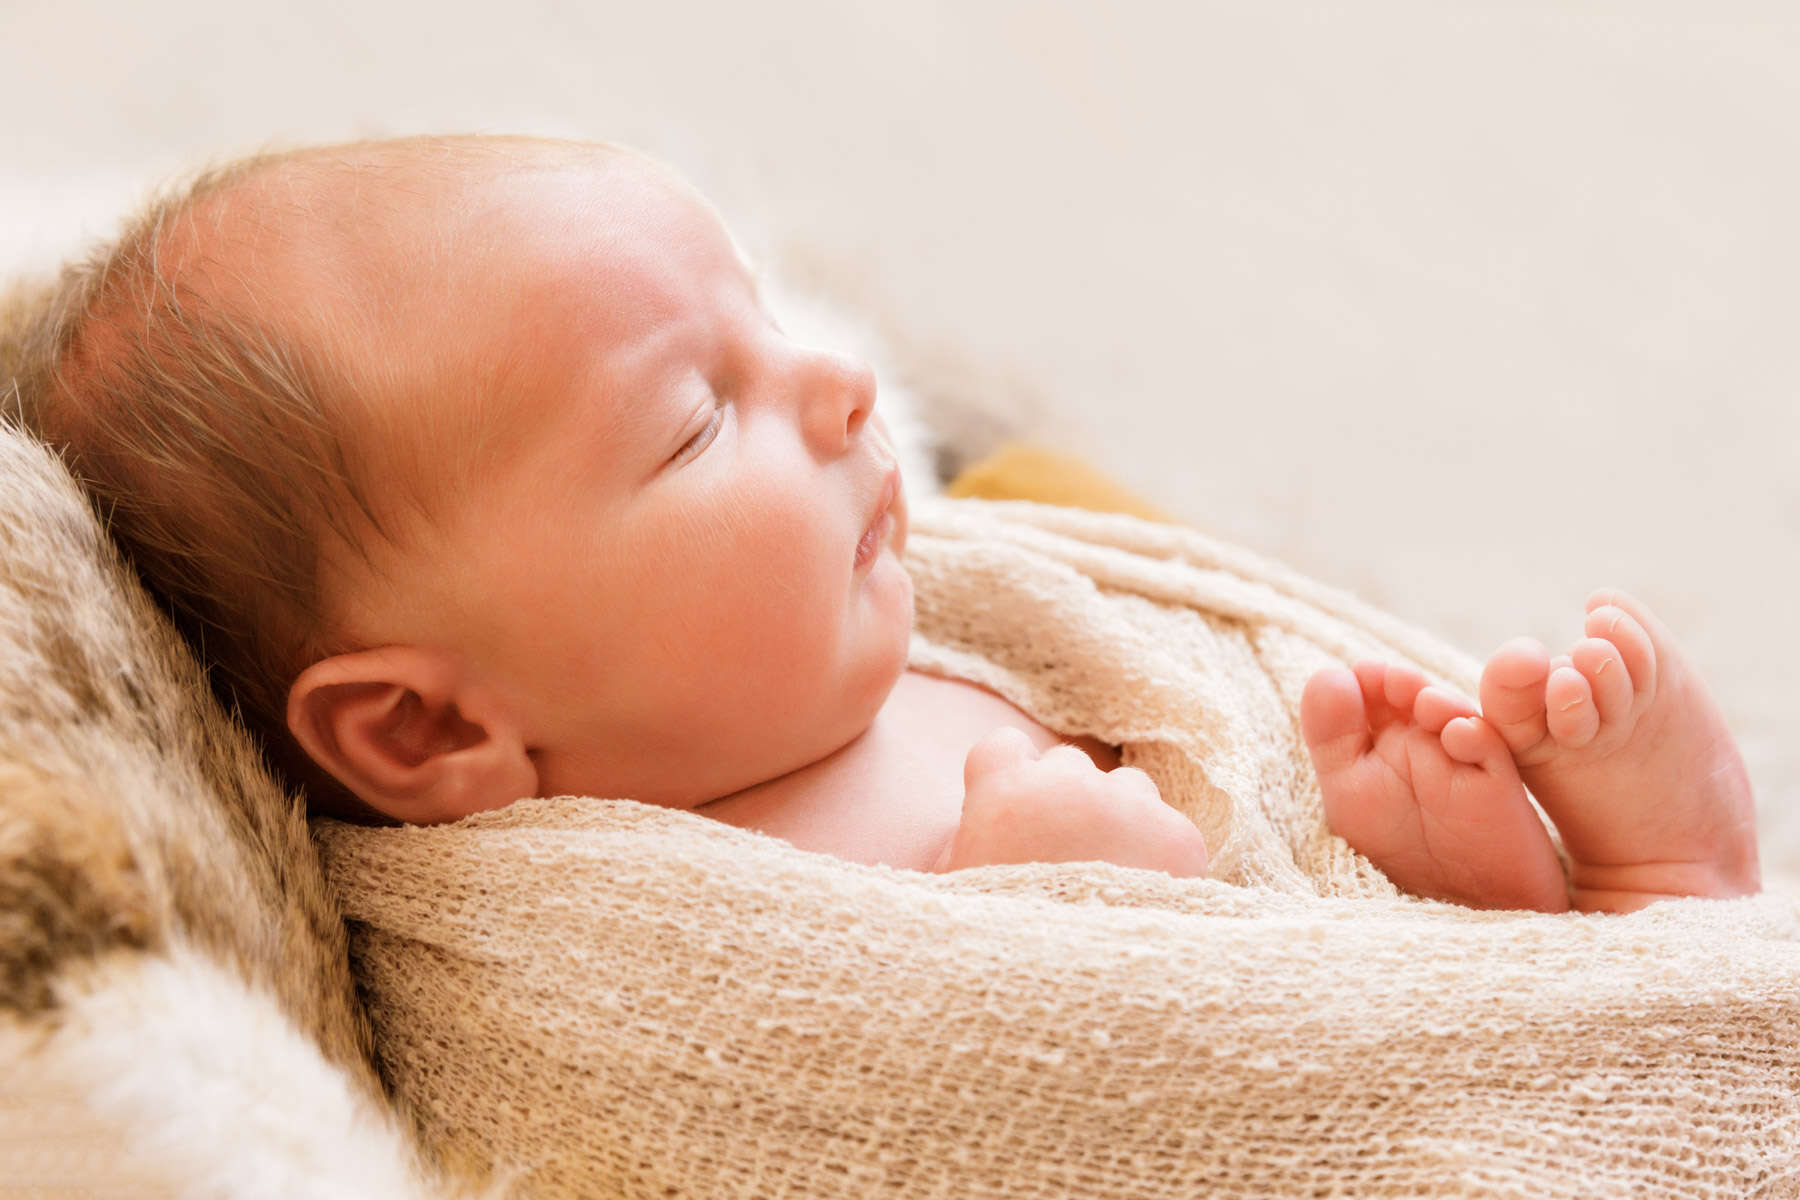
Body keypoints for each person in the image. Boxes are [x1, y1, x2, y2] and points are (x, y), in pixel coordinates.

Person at [19, 135, 1760, 915]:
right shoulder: (607, 924)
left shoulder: (901, 637)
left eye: (773, 320)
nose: (843, 387)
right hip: (1239, 1063)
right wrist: (1069, 943)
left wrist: (1332, 843)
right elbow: (860, 1109)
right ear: (429, 726)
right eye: (703, 418)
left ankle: (1589, 906)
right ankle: (1647, 911)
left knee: (1370, 788)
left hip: (1321, 961)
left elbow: (1157, 666)